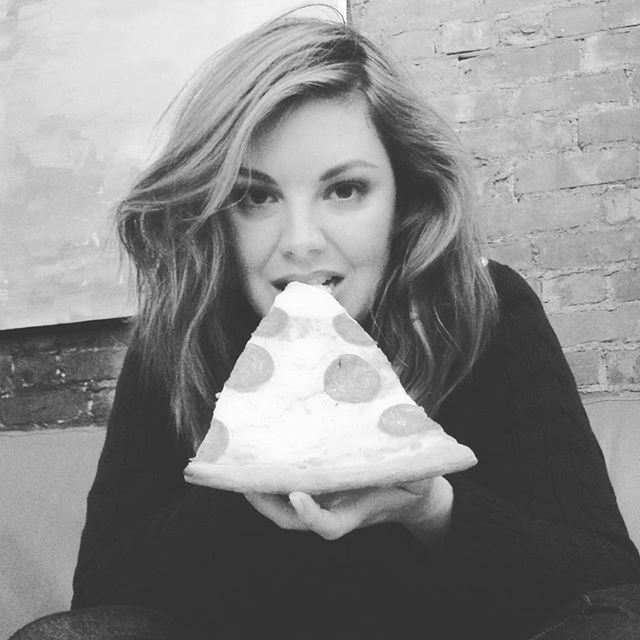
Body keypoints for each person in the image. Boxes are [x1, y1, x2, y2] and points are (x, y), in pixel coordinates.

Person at [11, 12, 640, 640]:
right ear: (216, 211)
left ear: (403, 196)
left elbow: (608, 584)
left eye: (344, 190)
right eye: (255, 196)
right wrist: (249, 471)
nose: (301, 242)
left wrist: (431, 505)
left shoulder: (484, 306)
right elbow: (101, 601)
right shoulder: (179, 334)